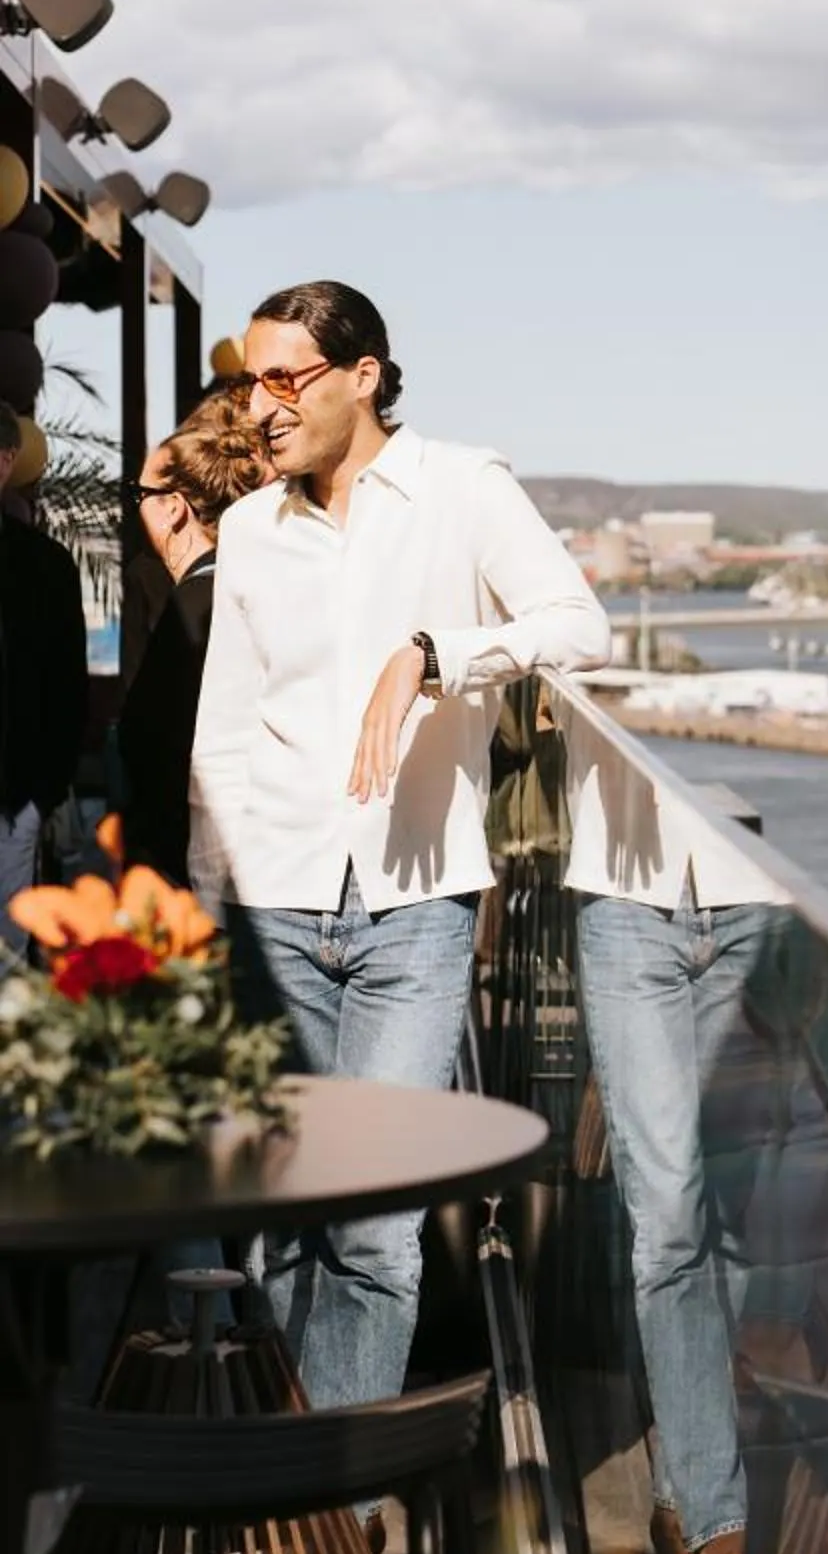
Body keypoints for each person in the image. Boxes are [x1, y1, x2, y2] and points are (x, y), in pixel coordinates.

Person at [191, 280, 609, 1414]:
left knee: (373, 1229)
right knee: (280, 1219)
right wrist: (205, 903)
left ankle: (343, 1508)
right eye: (249, 384)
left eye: (287, 380)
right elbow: (224, 732)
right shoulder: (247, 528)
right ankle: (285, 1481)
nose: (262, 409)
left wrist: (432, 653)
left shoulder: (461, 488)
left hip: (415, 910)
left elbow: (580, 626)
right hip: (268, 907)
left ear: (362, 374)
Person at [563, 730, 792, 1554]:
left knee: (728, 1214)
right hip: (627, 893)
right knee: (666, 1218)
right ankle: (711, 1514)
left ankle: (679, 1478)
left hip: (758, 886)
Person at [117, 382, 272, 891]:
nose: (135, 507)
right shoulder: (256, 589)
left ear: (174, 508)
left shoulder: (190, 607)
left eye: (138, 494)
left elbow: (156, 748)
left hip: (196, 866)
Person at [0, 399, 89, 948]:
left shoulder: (46, 567)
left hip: (13, 800)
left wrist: (43, 791)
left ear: (6, 461)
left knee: (7, 963)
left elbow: (66, 685)